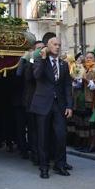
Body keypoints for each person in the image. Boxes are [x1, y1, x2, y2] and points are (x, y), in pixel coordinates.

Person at [30, 37, 73, 179]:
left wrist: (69, 105)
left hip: (59, 105)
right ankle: (44, 167)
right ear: (48, 47)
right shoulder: (39, 61)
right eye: (54, 44)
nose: (57, 47)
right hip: (43, 104)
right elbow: (36, 75)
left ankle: (60, 165)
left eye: (59, 45)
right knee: (43, 137)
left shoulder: (63, 64)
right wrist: (42, 59)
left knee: (61, 135)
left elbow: (67, 86)